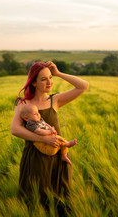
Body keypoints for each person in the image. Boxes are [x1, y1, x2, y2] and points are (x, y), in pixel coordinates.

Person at [11, 61, 89, 214]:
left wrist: (58, 73)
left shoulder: (55, 100)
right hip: (35, 160)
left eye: (50, 77)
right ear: (33, 82)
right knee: (34, 202)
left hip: (58, 159)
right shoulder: (24, 104)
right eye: (43, 79)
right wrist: (44, 139)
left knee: (60, 202)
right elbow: (15, 129)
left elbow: (83, 85)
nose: (49, 82)